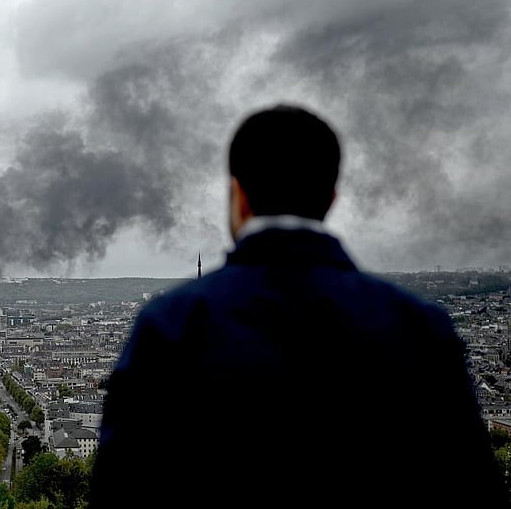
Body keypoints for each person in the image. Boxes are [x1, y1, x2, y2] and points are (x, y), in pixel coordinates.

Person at [88, 104, 506, 508]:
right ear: (331, 196)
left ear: (239, 194)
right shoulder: (420, 326)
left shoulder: (171, 325)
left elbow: (119, 490)